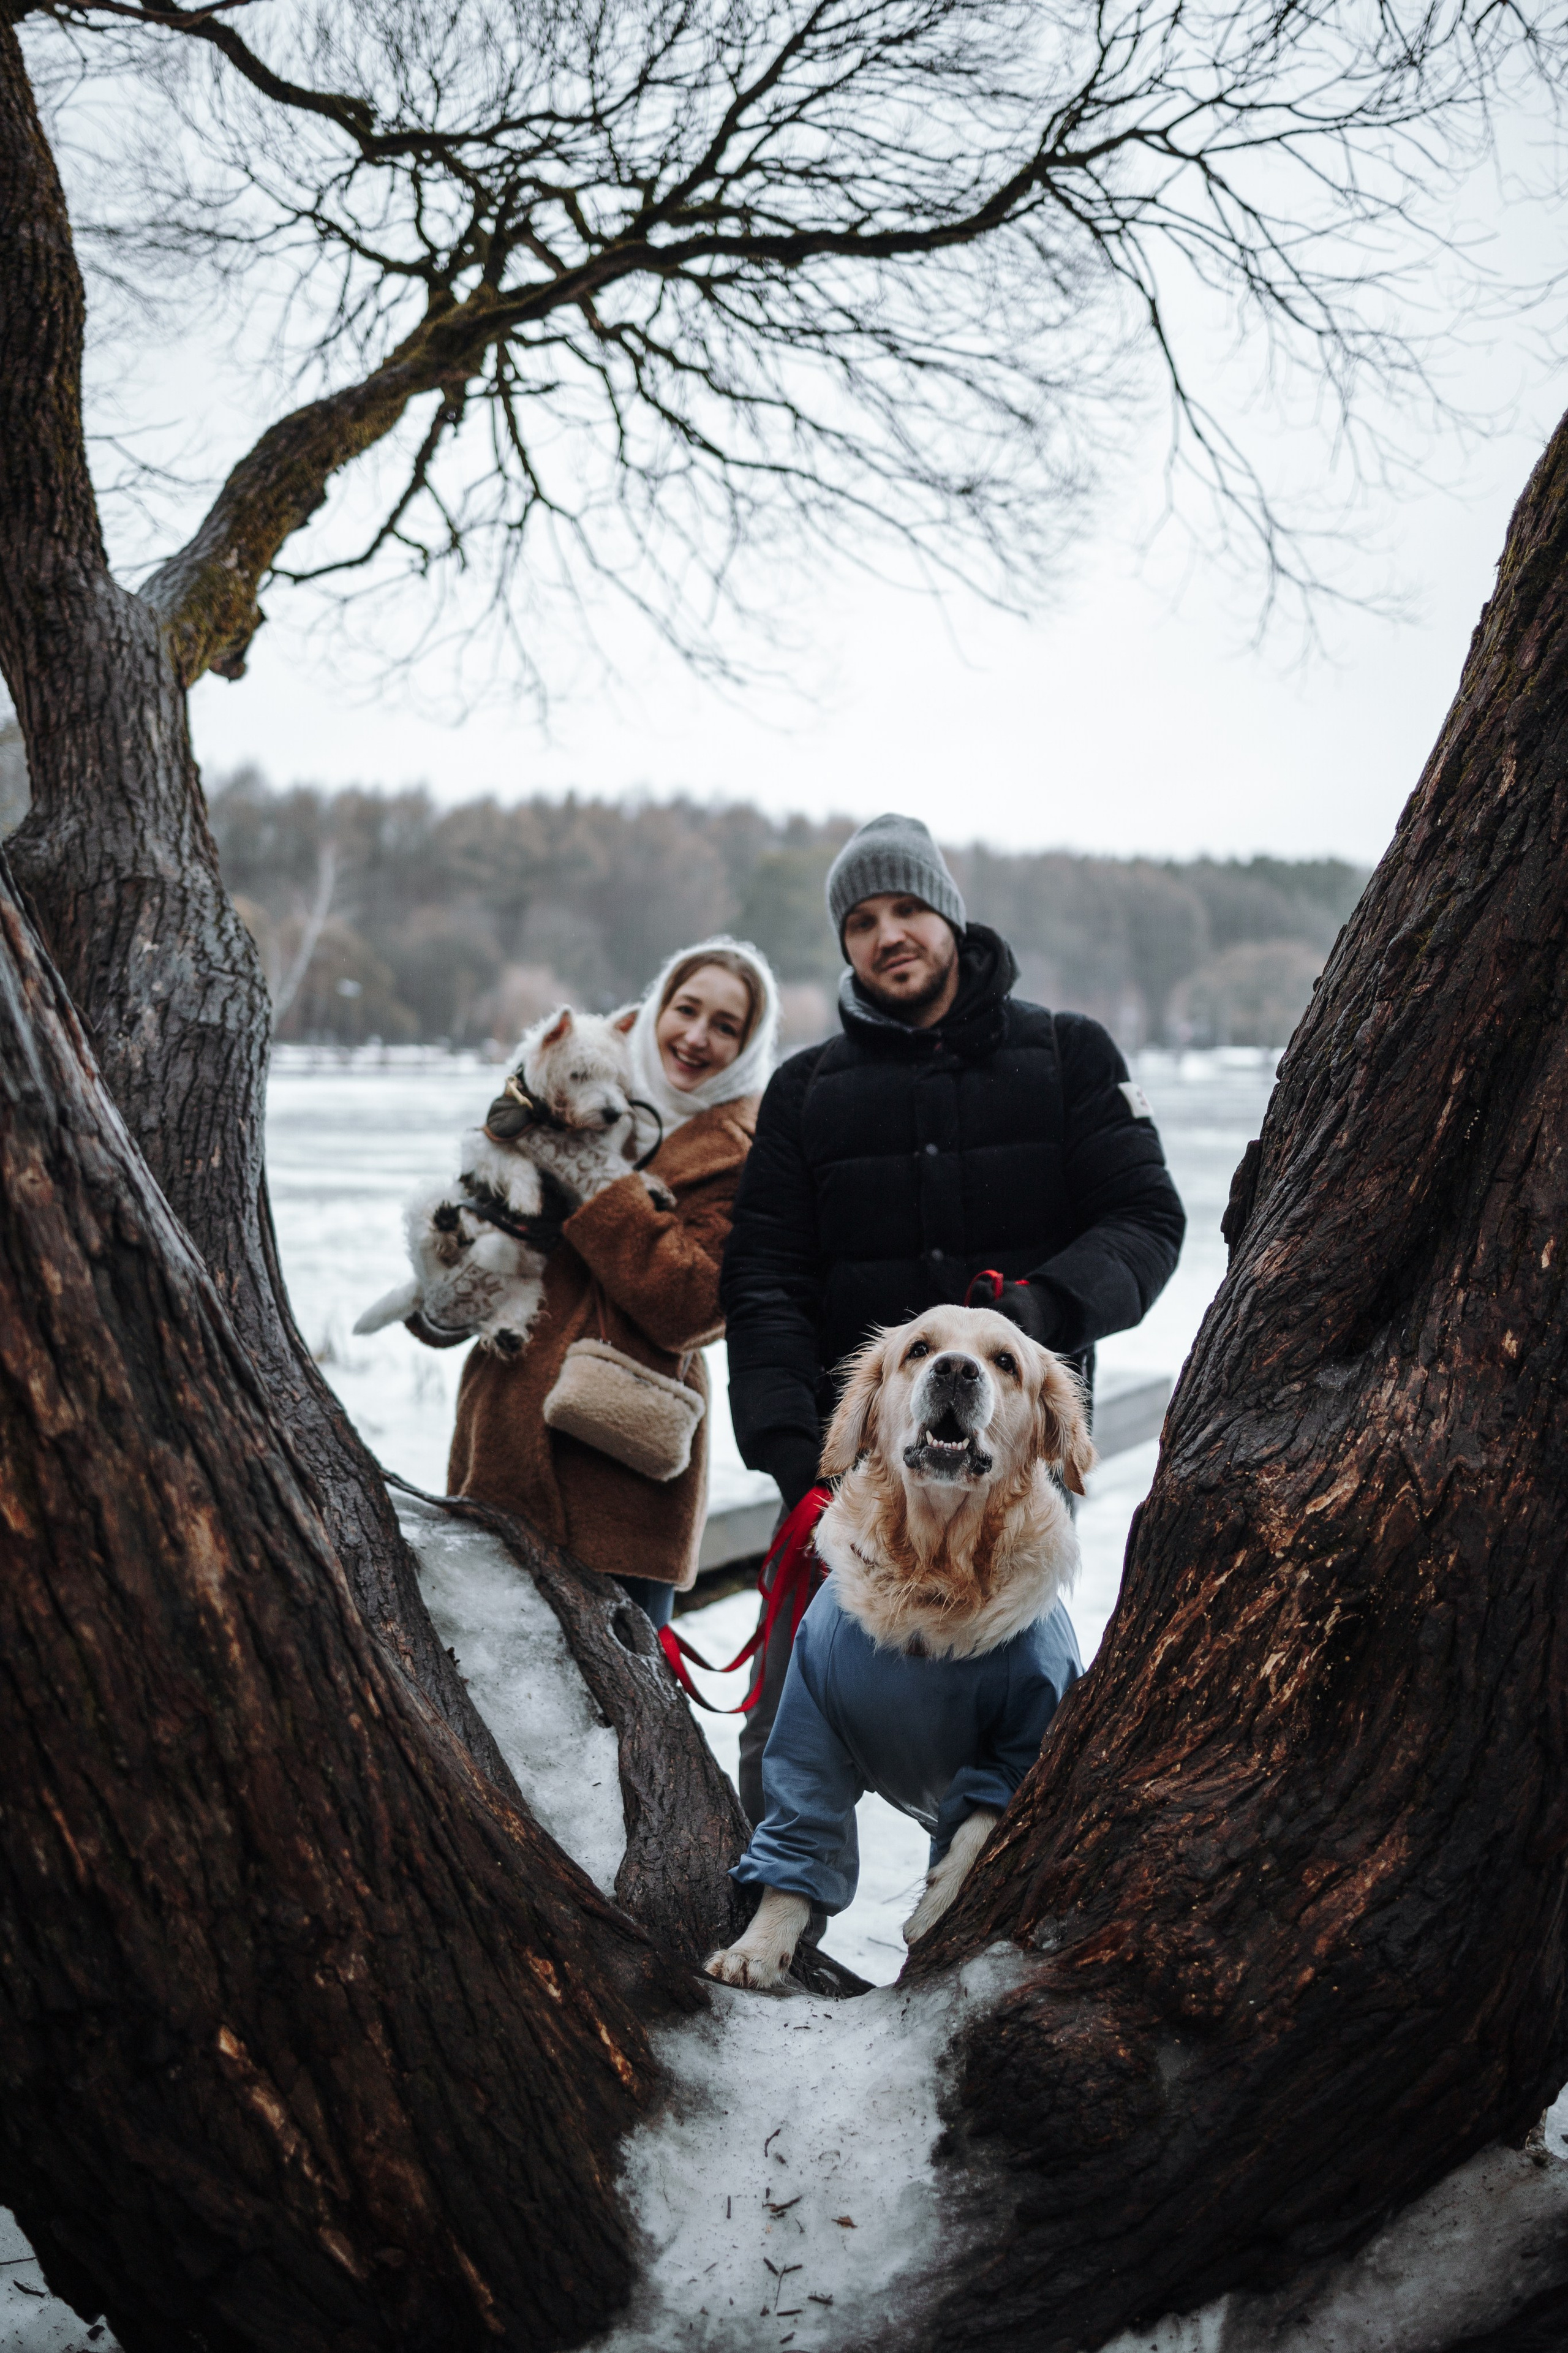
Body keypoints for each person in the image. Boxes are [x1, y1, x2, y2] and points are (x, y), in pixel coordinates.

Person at [719, 812, 1185, 1820]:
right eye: (863, 920)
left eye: (908, 909)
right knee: (790, 1732)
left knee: (1016, 1746)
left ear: (950, 917)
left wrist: (1043, 1308)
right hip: (846, 1485)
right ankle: (770, 1948)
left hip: (1008, 1475)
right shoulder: (805, 1092)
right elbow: (765, 1277)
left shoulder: (1067, 1055)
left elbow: (1146, 1220)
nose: (888, 934)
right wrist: (795, 1448)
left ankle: (972, 1952)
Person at [415, 937, 779, 1625]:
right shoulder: (570, 1084)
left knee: (611, 1723)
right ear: (657, 1008)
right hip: (500, 1449)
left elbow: (692, 1304)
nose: (696, 1036)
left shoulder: (748, 1154)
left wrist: (590, 1175)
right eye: (686, 1008)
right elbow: (482, 1226)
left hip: (620, 1488)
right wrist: (441, 1288)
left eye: (725, 1026)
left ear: (747, 1046)